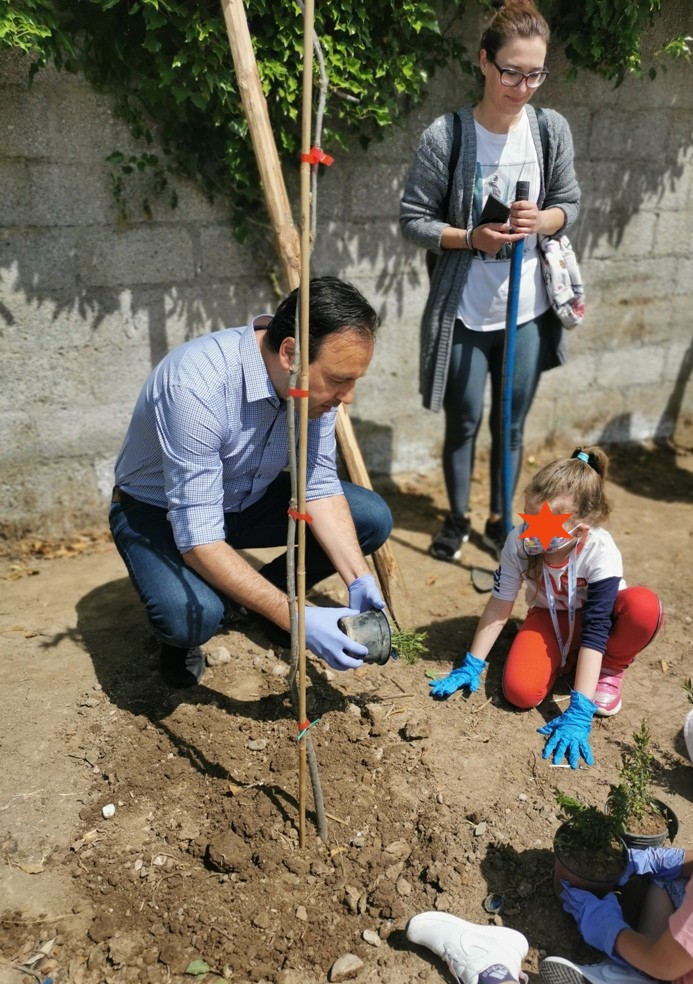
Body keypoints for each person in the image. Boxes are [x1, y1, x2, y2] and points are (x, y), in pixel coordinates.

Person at [406, 695, 693, 984]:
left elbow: (665, 961)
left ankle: (490, 968)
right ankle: (637, 979)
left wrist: (611, 930)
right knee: (673, 879)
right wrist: (664, 860)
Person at [109, 276, 393, 688]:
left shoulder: (314, 390)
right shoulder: (196, 384)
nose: (347, 397)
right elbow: (199, 536)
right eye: (338, 380)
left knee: (370, 517)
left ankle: (267, 601)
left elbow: (317, 485)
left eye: (354, 380)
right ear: (290, 353)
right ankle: (186, 637)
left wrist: (358, 577)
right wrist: (298, 618)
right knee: (194, 615)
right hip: (159, 512)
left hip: (245, 498)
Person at [400, 0, 580, 562]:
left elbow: (568, 204)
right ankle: (456, 519)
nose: (523, 86)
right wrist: (469, 237)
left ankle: (504, 520)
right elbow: (413, 220)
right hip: (465, 310)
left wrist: (542, 220)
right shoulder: (446, 135)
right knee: (465, 420)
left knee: (512, 424)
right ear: (484, 62)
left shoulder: (550, 131)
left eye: (535, 74)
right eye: (511, 72)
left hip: (525, 311)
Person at [428, 447, 663, 769]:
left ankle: (609, 669)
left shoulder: (600, 549)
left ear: (580, 529)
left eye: (544, 524)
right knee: (520, 693)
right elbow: (500, 603)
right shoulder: (519, 541)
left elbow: (596, 630)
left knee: (643, 607)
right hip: (549, 617)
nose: (530, 532)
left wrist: (579, 711)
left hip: (599, 623)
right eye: (528, 515)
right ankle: (568, 663)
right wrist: (472, 663)